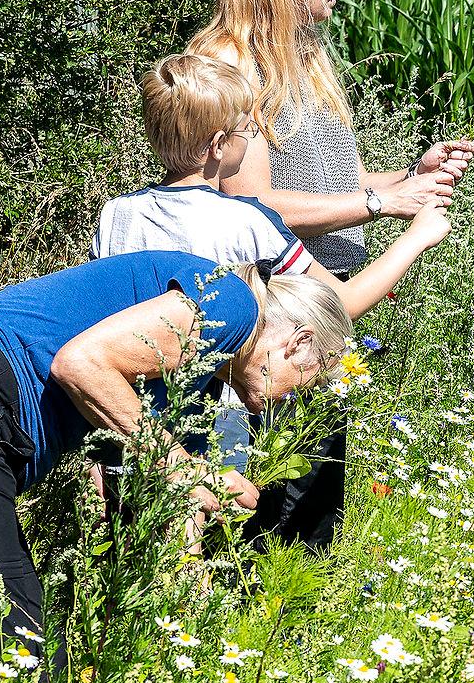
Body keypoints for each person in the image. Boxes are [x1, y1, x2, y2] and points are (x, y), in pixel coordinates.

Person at [0, 246, 426, 683]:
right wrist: (190, 472)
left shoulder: (198, 380)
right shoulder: (232, 303)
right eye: (312, 379)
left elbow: (158, 496)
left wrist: (195, 602)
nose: (293, 402)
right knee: (5, 628)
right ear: (297, 343)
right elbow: (82, 365)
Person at [188, 0, 474, 549]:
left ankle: (294, 641)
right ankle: (247, 642)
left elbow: (331, 185)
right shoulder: (235, 65)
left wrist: (409, 178)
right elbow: (256, 209)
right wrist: (383, 204)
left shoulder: (307, 56)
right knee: (269, 513)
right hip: (270, 327)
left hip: (323, 319)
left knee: (319, 507)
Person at [91, 53, 452, 468]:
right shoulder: (245, 222)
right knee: (198, 521)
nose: (253, 136)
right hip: (201, 416)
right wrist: (416, 238)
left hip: (118, 412)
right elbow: (342, 302)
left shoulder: (117, 214)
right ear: (218, 145)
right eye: (248, 128)